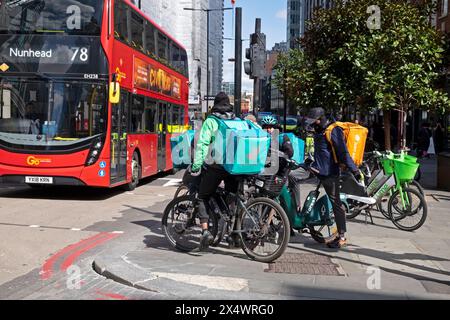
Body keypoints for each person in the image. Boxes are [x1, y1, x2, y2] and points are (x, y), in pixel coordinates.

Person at [304, 107, 362, 249]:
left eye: (315, 121)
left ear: (321, 118)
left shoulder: (333, 130)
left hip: (330, 173)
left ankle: (341, 236)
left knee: (336, 203)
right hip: (318, 169)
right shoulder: (320, 130)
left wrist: (354, 170)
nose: (313, 124)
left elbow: (343, 153)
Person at [190, 92, 239, 251]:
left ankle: (205, 232)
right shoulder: (235, 119)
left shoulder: (212, 121)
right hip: (236, 166)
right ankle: (235, 235)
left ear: (215, 105)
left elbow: (202, 144)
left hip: (218, 165)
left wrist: (197, 165)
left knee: (203, 196)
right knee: (233, 198)